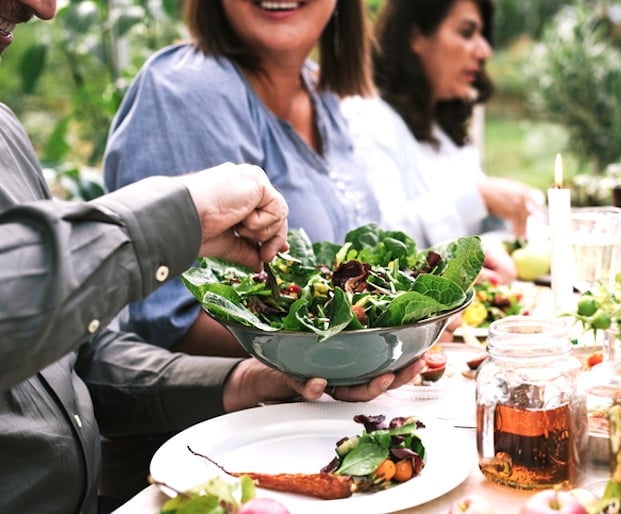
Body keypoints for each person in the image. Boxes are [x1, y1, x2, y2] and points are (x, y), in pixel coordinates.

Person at [0, 1, 423, 512]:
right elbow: (158, 319)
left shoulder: (6, 134)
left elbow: (79, 361)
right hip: (191, 460)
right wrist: (181, 216)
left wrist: (251, 380)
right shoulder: (188, 88)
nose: (45, 7)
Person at [102, 0, 380, 357]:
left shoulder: (318, 90)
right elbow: (171, 322)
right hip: (237, 410)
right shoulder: (190, 87)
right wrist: (348, 346)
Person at [342, 0, 542, 282]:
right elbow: (377, 243)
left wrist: (504, 205)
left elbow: (475, 232)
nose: (484, 50)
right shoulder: (368, 120)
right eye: (466, 32)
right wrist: (479, 197)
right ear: (415, 37)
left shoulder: (444, 127)